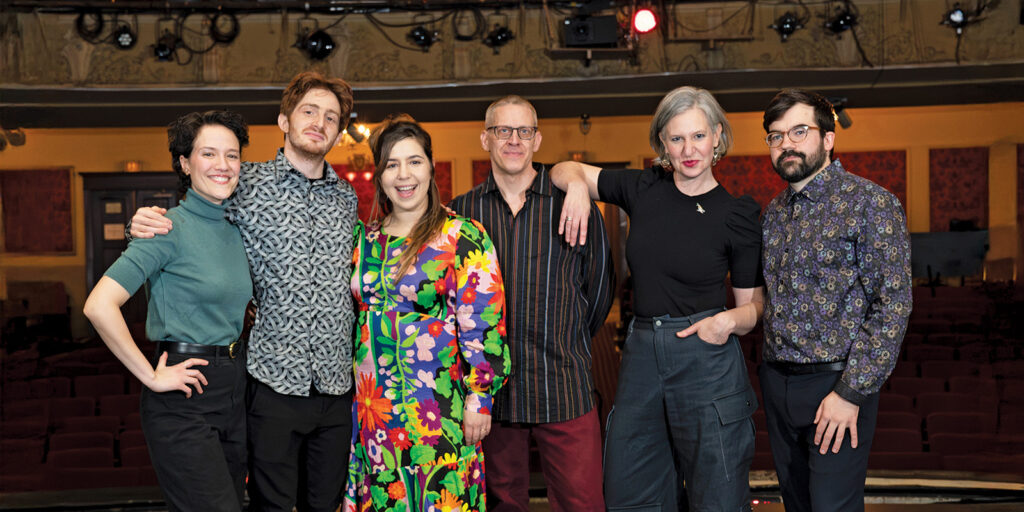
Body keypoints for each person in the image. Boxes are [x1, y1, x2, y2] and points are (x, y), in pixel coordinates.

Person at [129, 71, 358, 512]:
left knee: (327, 505)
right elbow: (190, 218)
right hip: (272, 380)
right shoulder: (242, 183)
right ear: (285, 121)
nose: (319, 122)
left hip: (335, 385)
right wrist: (138, 225)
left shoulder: (346, 198)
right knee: (270, 506)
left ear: (339, 132)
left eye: (331, 117)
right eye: (309, 111)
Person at [553, 86, 763, 512]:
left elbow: (753, 307)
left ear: (718, 137)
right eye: (677, 138)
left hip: (706, 356)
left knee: (717, 496)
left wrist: (726, 322)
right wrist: (577, 187)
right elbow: (561, 169)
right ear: (662, 144)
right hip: (643, 353)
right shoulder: (643, 187)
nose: (689, 149)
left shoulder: (736, 214)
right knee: (630, 492)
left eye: (699, 136)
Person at [449, 95, 614, 512]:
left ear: (537, 139)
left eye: (523, 131)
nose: (513, 140)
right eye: (503, 130)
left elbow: (599, 290)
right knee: (502, 503)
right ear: (485, 138)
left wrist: (568, 337)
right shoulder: (461, 214)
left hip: (563, 383)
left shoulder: (573, 204)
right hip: (492, 395)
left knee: (583, 503)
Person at [84, 110, 252, 511]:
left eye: (232, 155)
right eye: (208, 153)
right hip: (183, 391)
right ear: (184, 162)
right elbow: (98, 305)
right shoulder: (164, 229)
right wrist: (150, 376)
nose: (223, 165)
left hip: (235, 386)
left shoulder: (238, 227)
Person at [342, 115, 510, 511]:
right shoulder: (363, 239)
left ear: (431, 167)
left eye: (414, 161)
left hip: (439, 409)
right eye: (392, 164)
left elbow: (483, 322)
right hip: (374, 412)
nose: (404, 175)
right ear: (379, 175)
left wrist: (479, 398)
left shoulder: (462, 235)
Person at [758, 89, 912, 512]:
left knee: (831, 507)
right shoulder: (773, 213)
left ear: (828, 139)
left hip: (837, 385)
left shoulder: (871, 203)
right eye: (775, 135)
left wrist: (851, 392)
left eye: (799, 131)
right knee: (798, 504)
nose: (785, 143)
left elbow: (893, 305)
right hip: (777, 382)